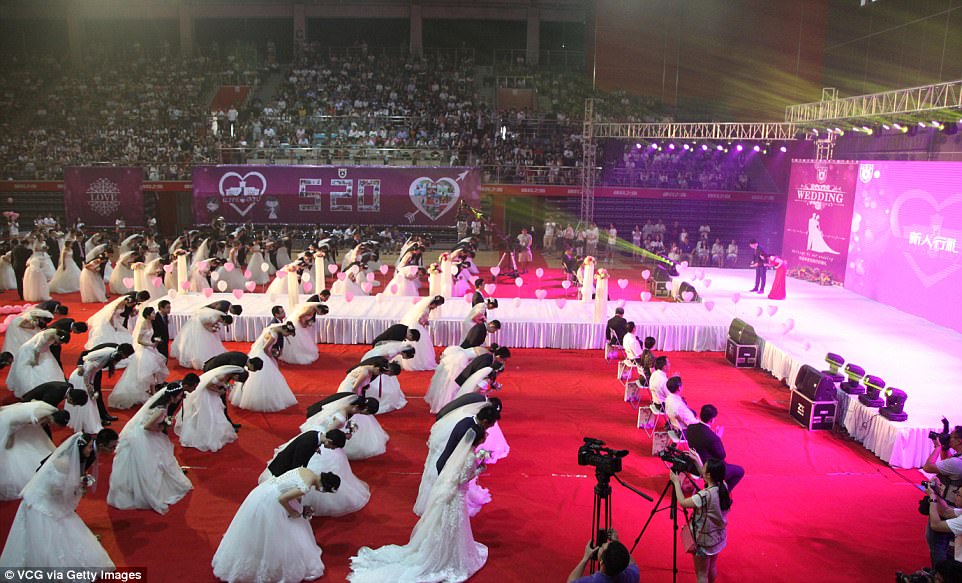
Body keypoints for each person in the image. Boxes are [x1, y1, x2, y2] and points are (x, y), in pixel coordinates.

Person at [349, 425, 488, 583]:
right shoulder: (469, 457)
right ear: (479, 440)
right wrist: (478, 469)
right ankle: (448, 556)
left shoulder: (460, 452)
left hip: (450, 494)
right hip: (457, 496)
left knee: (446, 527)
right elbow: (461, 480)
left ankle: (445, 551)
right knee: (453, 527)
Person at [0, 432, 117, 572]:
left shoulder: (74, 458)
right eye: (89, 447)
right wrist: (78, 487)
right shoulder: (64, 464)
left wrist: (79, 483)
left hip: (55, 496)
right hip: (45, 501)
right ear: (80, 449)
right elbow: (56, 491)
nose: (91, 449)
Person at [211, 467, 340, 583]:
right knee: (278, 533)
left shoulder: (307, 471)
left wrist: (299, 508)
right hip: (272, 501)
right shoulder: (306, 486)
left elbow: (291, 488)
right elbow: (283, 499)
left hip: (265, 490)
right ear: (324, 487)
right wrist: (293, 512)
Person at [107, 385, 192, 514]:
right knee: (152, 465)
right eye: (180, 395)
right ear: (173, 396)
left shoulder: (160, 405)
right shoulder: (161, 409)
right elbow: (147, 426)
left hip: (144, 436)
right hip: (146, 436)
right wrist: (161, 427)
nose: (181, 398)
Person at [671, 456, 732, 583]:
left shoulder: (703, 496)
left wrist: (676, 482)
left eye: (703, 467)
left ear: (708, 475)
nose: (701, 469)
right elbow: (708, 477)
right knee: (712, 567)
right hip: (718, 537)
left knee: (701, 574)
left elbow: (682, 502)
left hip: (704, 541)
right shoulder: (723, 486)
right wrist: (697, 460)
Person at [0, 402, 70, 500]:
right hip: (10, 424)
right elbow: (13, 423)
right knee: (14, 451)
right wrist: (10, 437)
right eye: (54, 424)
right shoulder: (38, 415)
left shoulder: (52, 411)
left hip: (23, 425)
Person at [108, 307, 168, 410]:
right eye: (153, 313)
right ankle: (151, 392)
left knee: (153, 370)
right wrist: (151, 344)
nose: (154, 315)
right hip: (145, 350)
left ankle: (152, 391)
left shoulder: (150, 323)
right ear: (148, 315)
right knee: (148, 371)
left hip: (151, 349)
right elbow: (139, 340)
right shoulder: (143, 323)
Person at [923, 427, 962, 566]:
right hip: (953, 504)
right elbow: (948, 466)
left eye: (951, 437)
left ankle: (939, 573)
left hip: (946, 504)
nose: (948, 438)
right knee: (948, 543)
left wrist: (938, 447)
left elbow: (927, 467)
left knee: (936, 541)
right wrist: (945, 448)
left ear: (959, 441)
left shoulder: (957, 463)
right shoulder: (958, 459)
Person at [686, 404, 746, 490]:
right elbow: (721, 455)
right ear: (712, 419)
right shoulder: (712, 437)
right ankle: (721, 494)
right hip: (707, 469)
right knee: (739, 471)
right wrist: (718, 438)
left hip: (692, 464)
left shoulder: (690, 428)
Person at [566, 528, 639, 583]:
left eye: (602, 547)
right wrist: (616, 543)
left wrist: (585, 558)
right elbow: (631, 563)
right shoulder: (632, 576)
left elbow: (570, 582)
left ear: (602, 562)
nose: (602, 545)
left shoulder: (594, 581)